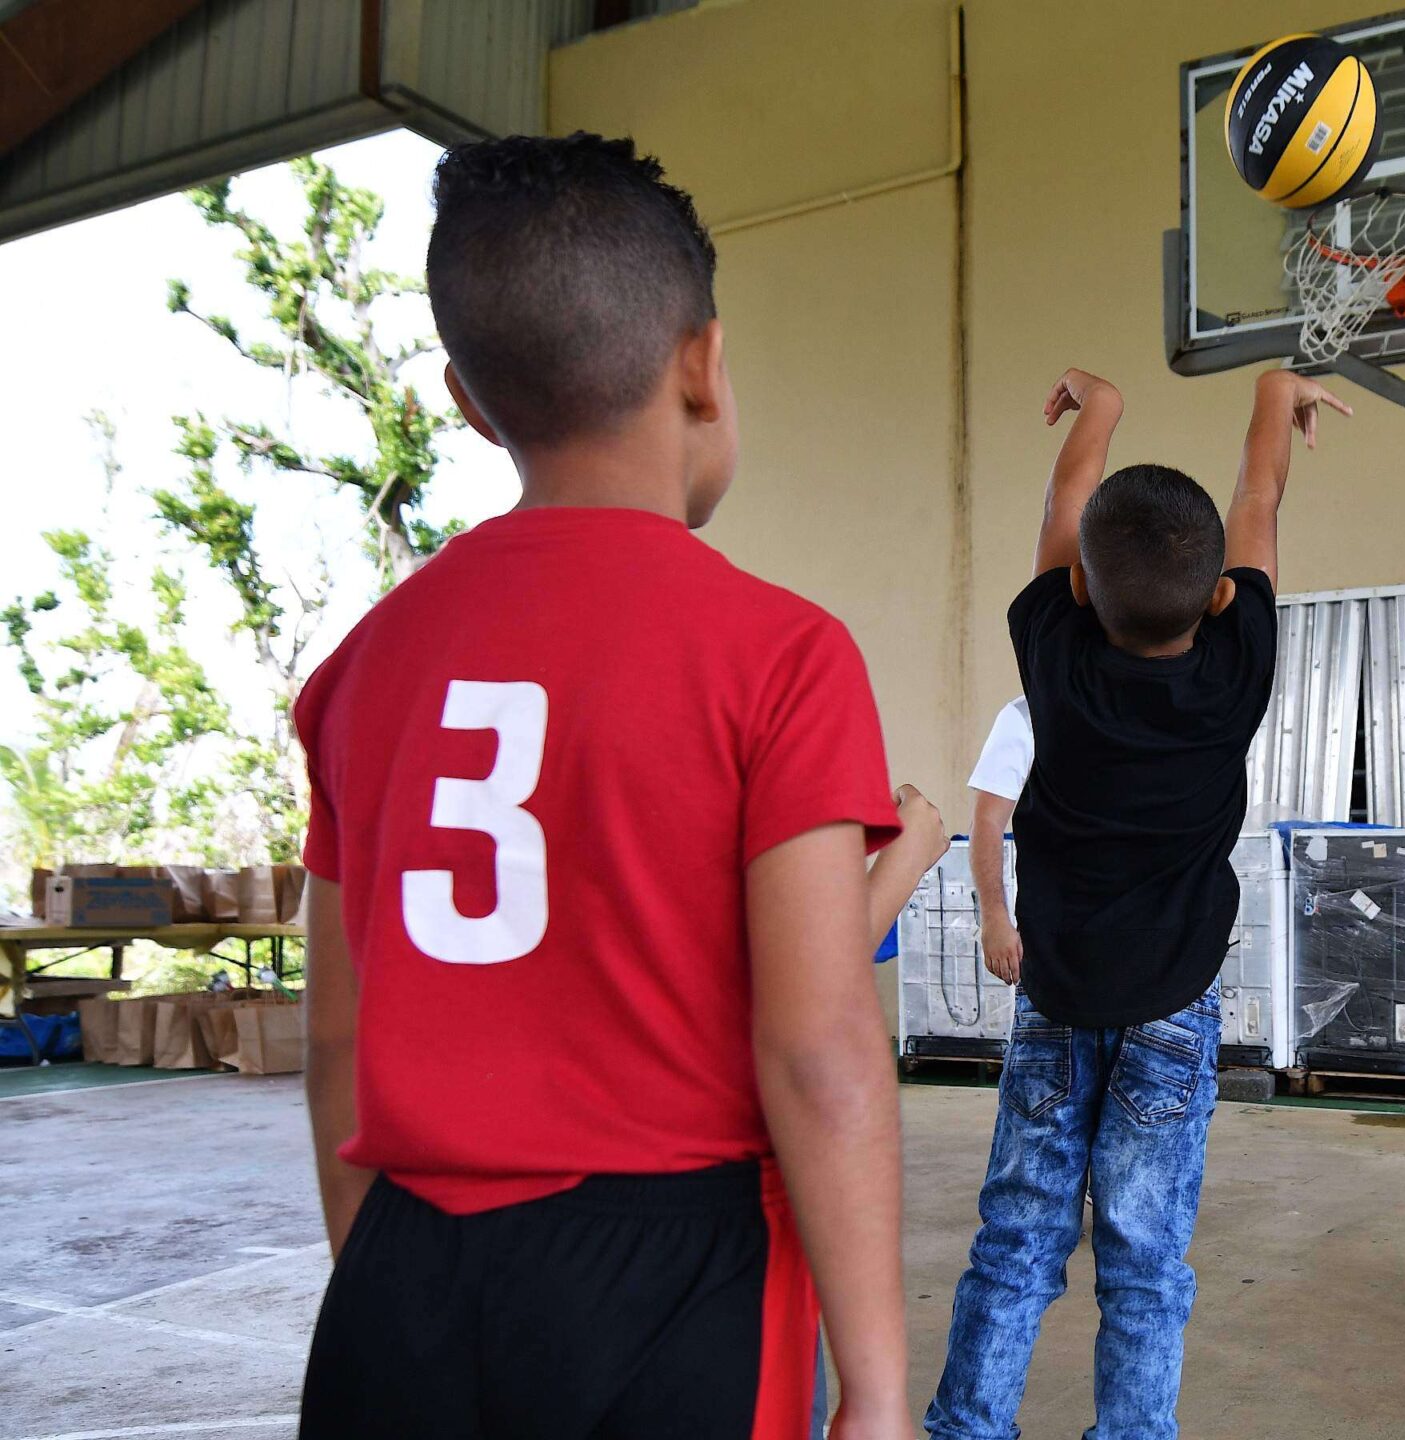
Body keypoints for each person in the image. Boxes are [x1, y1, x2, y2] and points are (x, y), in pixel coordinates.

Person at [294, 134, 946, 1440]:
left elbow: (335, 1045)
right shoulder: (782, 655)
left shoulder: (361, 668)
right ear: (703, 363)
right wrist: (877, 1386)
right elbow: (816, 1048)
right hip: (677, 1271)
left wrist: (387, 1279)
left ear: (472, 404)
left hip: (408, 1263)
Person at [923, 365, 1346, 1440]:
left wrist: (1099, 407)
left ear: (1074, 595)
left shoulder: (1054, 658)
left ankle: (967, 1427)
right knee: (1146, 1262)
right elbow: (1258, 500)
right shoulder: (1235, 668)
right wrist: (1273, 394)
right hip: (1172, 1011)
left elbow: (1065, 512)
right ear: (1217, 601)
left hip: (1056, 1005)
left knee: (1015, 1241)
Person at [967, 697, 1032, 983]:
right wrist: (993, 918)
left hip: (1159, 939)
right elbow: (987, 822)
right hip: (1051, 939)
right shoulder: (1024, 715)